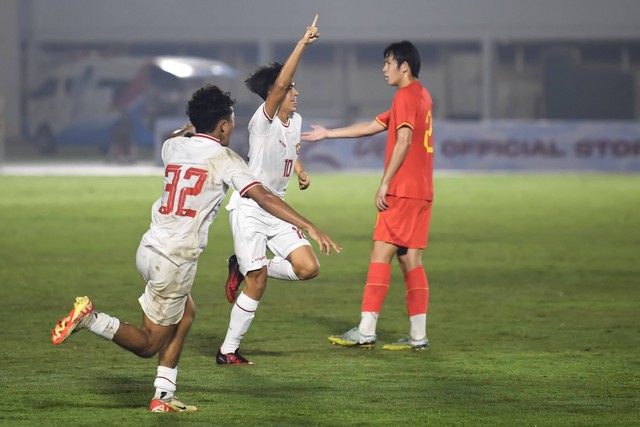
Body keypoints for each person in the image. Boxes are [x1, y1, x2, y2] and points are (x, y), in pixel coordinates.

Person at [51, 84, 340, 413]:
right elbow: (265, 197)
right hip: (175, 261)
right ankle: (91, 319)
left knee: (186, 314)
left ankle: (163, 396)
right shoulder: (226, 159)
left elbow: (177, 135)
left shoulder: (173, 146)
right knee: (148, 344)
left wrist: (189, 129)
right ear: (222, 125)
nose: (232, 126)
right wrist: (308, 225)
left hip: (149, 248)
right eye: (230, 121)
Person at [301, 40, 433, 351]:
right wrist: (329, 133)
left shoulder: (404, 95)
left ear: (404, 66)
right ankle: (418, 335)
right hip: (423, 191)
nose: (383, 68)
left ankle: (366, 329)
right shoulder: (421, 95)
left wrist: (385, 182)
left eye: (388, 63)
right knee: (410, 259)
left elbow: (402, 140)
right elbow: (373, 125)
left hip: (402, 191)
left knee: (379, 254)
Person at [217, 16, 320, 365]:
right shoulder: (264, 120)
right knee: (257, 284)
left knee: (308, 268)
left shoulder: (297, 120)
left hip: (277, 208)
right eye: (291, 88)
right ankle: (227, 351)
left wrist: (301, 170)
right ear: (276, 92)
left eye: (294, 89)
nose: (295, 92)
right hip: (249, 208)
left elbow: (291, 150)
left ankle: (245, 264)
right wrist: (302, 43)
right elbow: (280, 85)